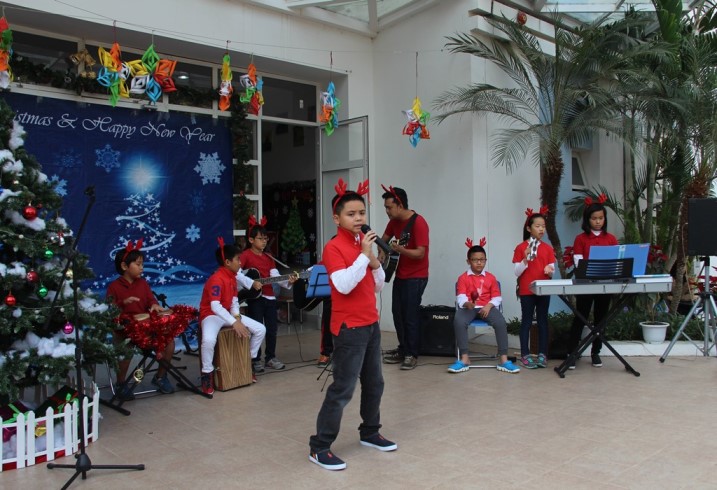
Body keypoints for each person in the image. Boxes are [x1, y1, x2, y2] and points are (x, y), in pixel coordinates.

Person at [309, 178, 396, 471]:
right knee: (343, 388)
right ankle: (319, 446)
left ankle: (370, 432)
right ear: (337, 218)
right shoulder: (333, 248)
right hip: (349, 328)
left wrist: (374, 263)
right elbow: (343, 285)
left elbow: (377, 286)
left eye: (361, 213)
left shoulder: (363, 245)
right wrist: (363, 257)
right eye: (351, 214)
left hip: (370, 323)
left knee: (375, 383)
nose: (358, 218)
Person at [106, 239, 174, 398]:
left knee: (169, 343)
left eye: (142, 264)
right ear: (124, 266)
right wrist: (123, 303)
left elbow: (150, 300)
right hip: (124, 331)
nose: (142, 267)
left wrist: (155, 305)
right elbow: (110, 310)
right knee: (125, 348)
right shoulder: (114, 287)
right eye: (138, 264)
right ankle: (121, 383)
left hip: (144, 329)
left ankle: (160, 377)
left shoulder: (142, 283)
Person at [199, 241, 266, 395]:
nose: (240, 263)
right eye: (237, 259)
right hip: (211, 315)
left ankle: (247, 363)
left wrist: (237, 317)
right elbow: (215, 306)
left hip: (228, 315)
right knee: (208, 340)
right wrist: (234, 322)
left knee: (260, 329)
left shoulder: (232, 277)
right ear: (227, 262)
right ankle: (207, 374)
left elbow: (234, 301)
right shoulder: (217, 278)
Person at [449, 238, 520, 374]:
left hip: (487, 307)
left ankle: (504, 359)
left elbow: (497, 297)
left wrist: (488, 306)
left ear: (486, 260)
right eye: (475, 260)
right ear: (468, 261)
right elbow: (461, 297)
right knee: (459, 321)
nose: (479, 262)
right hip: (469, 308)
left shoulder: (490, 277)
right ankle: (464, 358)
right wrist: (468, 303)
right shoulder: (463, 278)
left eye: (482, 259)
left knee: (500, 322)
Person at [380, 185, 429, 370]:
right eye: (385, 207)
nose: (387, 211)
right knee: (397, 313)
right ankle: (403, 349)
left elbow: (420, 253)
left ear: (400, 205)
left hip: (417, 277)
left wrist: (401, 249)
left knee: (410, 315)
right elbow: (383, 240)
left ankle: (411, 354)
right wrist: (382, 252)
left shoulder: (418, 222)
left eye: (389, 207)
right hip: (400, 275)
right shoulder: (394, 221)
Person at [240, 216, 297, 373]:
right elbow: (236, 274)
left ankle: (270, 357)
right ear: (251, 240)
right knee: (257, 329)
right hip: (255, 298)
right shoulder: (245, 255)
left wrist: (289, 281)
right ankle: (255, 359)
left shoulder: (268, 257)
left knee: (272, 329)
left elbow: (275, 276)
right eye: (260, 239)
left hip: (270, 297)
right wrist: (251, 283)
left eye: (265, 239)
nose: (264, 242)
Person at [568, 195, 618, 369]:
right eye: (594, 218)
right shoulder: (581, 239)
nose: (598, 222)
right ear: (587, 220)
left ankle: (596, 352)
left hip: (605, 284)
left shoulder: (611, 239)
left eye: (601, 218)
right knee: (580, 318)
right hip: (586, 284)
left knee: (600, 320)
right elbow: (578, 261)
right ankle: (572, 352)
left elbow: (616, 260)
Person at [512, 207, 555, 369]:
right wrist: (525, 259)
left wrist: (549, 270)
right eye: (537, 226)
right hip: (527, 290)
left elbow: (552, 269)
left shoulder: (548, 248)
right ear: (529, 228)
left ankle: (543, 354)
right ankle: (525, 354)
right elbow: (517, 272)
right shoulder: (521, 247)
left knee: (543, 321)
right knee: (527, 321)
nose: (541, 229)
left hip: (544, 289)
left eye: (543, 226)